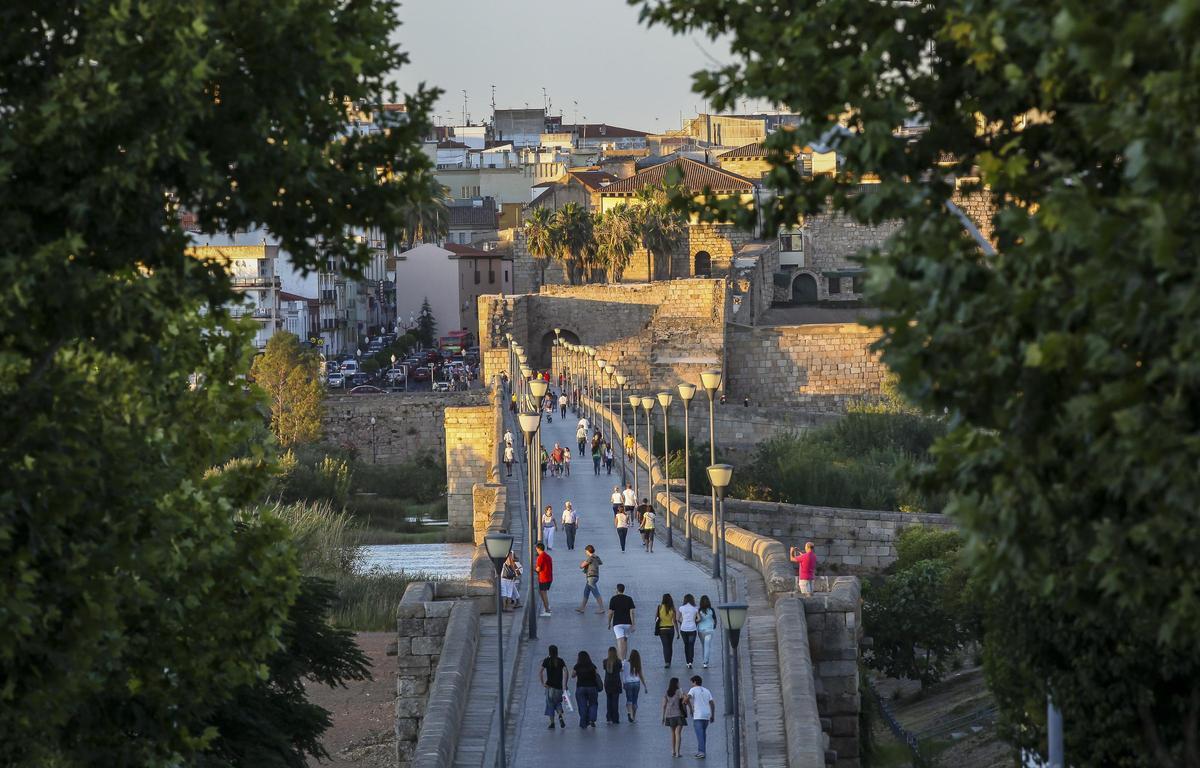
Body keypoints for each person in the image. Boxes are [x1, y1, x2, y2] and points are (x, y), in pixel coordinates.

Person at [687, 675, 716, 759]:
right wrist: (712, 715)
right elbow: (712, 703)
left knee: (700, 734)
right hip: (706, 715)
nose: (691, 684)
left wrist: (685, 701)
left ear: (695, 682)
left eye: (692, 682)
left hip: (698, 715)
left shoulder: (693, 690)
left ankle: (701, 752)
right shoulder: (707, 690)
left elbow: (687, 698)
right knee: (703, 734)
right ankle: (702, 750)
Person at [540, 645, 568, 730]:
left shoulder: (547, 661)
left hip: (550, 687)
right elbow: (566, 671)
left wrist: (543, 683)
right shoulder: (560, 661)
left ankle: (552, 723)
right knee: (558, 703)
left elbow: (540, 672)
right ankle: (560, 715)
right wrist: (565, 684)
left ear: (549, 652)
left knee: (550, 705)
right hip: (559, 687)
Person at [661, 677, 689, 758]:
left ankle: (673, 751)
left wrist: (663, 717)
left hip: (669, 715)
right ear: (676, 683)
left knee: (673, 733)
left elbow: (664, 705)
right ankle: (678, 753)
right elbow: (685, 700)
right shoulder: (679, 691)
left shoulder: (667, 692)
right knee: (678, 733)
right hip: (679, 714)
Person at [571, 651, 601, 728]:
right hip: (592, 687)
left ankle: (583, 722)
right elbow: (597, 675)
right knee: (593, 704)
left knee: (582, 705)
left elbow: (573, 675)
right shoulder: (592, 666)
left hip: (581, 688)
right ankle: (592, 719)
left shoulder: (577, 666)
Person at [607, 582, 636, 658]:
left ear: (617, 590)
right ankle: (624, 659)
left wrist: (609, 623)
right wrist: (633, 624)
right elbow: (632, 612)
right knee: (625, 641)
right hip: (627, 623)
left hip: (617, 624)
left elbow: (610, 613)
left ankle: (621, 660)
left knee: (620, 641)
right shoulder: (629, 599)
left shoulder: (613, 599)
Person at [576, 545, 605, 614]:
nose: (585, 552)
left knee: (596, 593)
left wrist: (585, 564)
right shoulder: (596, 557)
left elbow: (581, 566)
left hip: (591, 577)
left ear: (588, 551)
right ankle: (582, 608)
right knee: (586, 592)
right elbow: (600, 563)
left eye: (586, 551)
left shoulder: (590, 558)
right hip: (595, 576)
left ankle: (601, 608)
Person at [622, 649, 646, 723]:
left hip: (628, 683)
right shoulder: (637, 664)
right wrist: (645, 686)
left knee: (629, 699)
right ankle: (634, 717)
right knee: (635, 700)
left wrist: (623, 683)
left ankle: (629, 713)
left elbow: (622, 672)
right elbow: (641, 675)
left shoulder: (625, 663)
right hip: (636, 683)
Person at [655, 594, 678, 668]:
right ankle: (669, 661)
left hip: (662, 629)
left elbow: (656, 618)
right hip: (671, 629)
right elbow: (674, 621)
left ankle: (666, 662)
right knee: (670, 646)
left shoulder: (660, 607)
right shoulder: (672, 608)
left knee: (665, 646)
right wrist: (677, 632)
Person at [677, 594, 700, 669]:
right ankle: (690, 661)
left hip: (683, 629)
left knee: (686, 645)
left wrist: (682, 622)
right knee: (691, 645)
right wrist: (694, 621)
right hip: (692, 629)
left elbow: (678, 618)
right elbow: (699, 619)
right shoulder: (695, 608)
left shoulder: (681, 608)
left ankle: (687, 662)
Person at [603, 646, 624, 725]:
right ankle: (615, 718)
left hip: (608, 683)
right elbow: (620, 669)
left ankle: (609, 717)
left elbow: (605, 668)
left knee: (609, 701)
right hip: (616, 683)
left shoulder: (605, 661)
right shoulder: (618, 661)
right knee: (615, 701)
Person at [696, 595, 718, 669]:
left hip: (701, 630)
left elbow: (697, 620)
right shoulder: (711, 610)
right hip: (709, 630)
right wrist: (714, 626)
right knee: (707, 646)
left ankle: (704, 660)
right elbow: (715, 619)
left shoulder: (699, 610)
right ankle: (705, 662)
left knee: (703, 646)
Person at [535, 543, 552, 616]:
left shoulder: (540, 557)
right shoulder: (548, 556)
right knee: (544, 593)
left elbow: (538, 569)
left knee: (543, 593)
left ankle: (547, 610)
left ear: (538, 549)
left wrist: (533, 568)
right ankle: (547, 607)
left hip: (543, 578)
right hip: (549, 577)